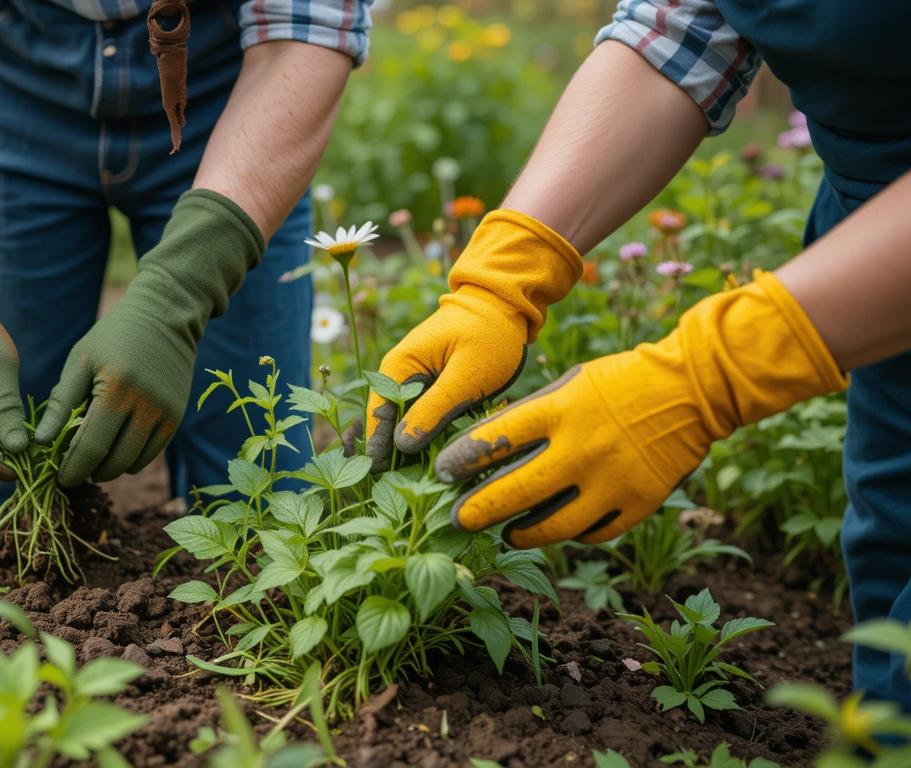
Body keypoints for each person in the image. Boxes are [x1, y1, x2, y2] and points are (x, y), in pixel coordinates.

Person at [369, 0, 911, 708]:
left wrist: (709, 374)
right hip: (871, 251)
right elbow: (681, 32)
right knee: (892, 546)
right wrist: (503, 276)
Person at [0, 0, 371, 514]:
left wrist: (175, 297)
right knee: (13, 440)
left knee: (259, 477)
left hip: (234, 83)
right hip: (8, 74)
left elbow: (304, 31)